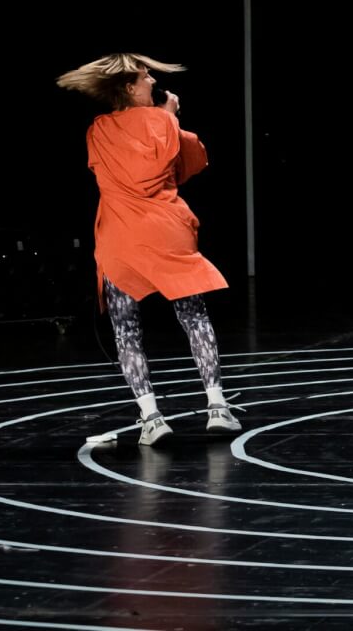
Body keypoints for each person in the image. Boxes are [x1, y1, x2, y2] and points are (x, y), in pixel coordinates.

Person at [57, 53, 240, 444]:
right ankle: (217, 406)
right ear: (128, 87)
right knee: (194, 317)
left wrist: (164, 118)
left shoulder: (99, 130)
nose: (153, 81)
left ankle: (151, 416)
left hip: (121, 238)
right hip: (167, 231)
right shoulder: (165, 121)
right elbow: (183, 166)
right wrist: (170, 116)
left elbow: (120, 169)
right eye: (145, 77)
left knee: (126, 330)